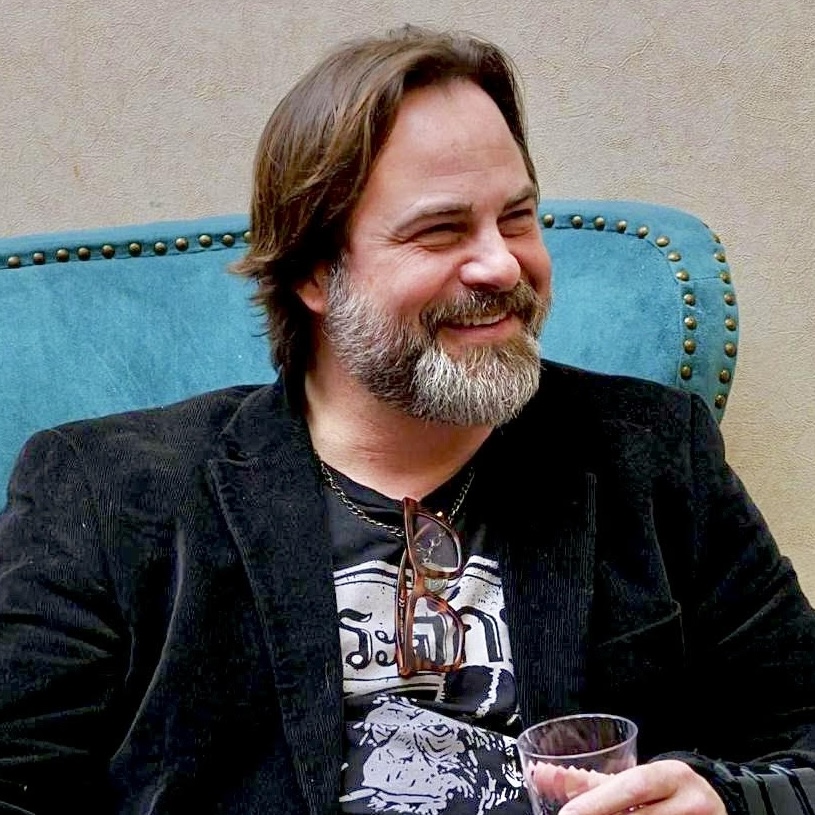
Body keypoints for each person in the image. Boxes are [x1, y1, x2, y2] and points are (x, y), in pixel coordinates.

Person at [0, 25, 813, 815]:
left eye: (517, 218)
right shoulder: (109, 493)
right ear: (314, 272)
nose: (501, 263)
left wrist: (728, 799)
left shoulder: (651, 452)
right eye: (440, 231)